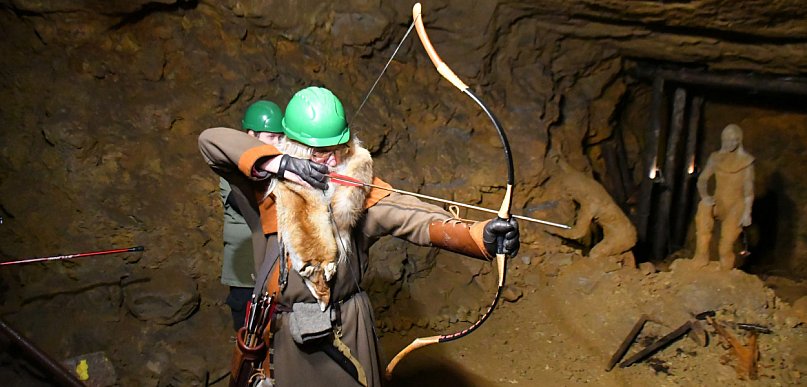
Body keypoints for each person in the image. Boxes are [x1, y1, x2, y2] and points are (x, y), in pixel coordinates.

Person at [199, 86, 519, 387]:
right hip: (283, 336)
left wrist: (481, 236)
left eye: (339, 149)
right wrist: (279, 163)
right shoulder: (264, 188)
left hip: (348, 329)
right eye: (320, 152)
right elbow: (211, 142)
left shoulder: (356, 190)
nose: (333, 161)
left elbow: (414, 217)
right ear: (295, 147)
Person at [221, 100, 284, 330]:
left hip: (273, 275)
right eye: (271, 137)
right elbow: (247, 204)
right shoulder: (231, 167)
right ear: (250, 134)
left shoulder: (278, 169)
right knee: (248, 347)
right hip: (245, 278)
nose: (277, 143)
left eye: (281, 137)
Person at [692, 123, 755, 270]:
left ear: (739, 140)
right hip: (719, 201)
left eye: (733, 140)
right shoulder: (715, 158)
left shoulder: (746, 162)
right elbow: (702, 180)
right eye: (727, 140)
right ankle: (701, 256)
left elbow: (749, 191)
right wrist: (705, 196)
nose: (730, 143)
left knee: (725, 245)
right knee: (703, 208)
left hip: (736, 206)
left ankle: (726, 265)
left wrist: (747, 213)